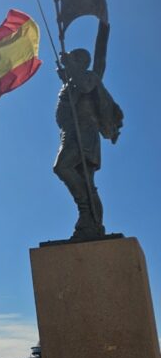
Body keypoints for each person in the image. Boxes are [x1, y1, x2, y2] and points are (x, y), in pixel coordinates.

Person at [53, 48, 123, 241]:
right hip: (70, 132)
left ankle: (86, 211)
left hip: (84, 133)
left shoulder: (89, 76)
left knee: (62, 167)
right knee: (87, 181)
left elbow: (85, 87)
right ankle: (92, 223)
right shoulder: (72, 80)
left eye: (73, 59)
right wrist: (66, 75)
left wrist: (70, 67)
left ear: (81, 62)